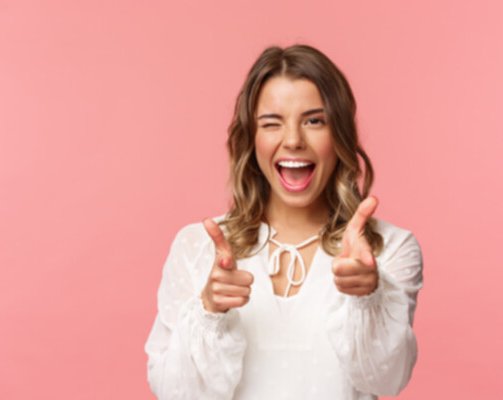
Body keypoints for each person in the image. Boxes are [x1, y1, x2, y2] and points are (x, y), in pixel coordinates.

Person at [144, 44, 423, 400]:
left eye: (314, 121)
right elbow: (173, 392)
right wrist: (210, 310)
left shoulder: (389, 248)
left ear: (339, 134)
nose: (293, 140)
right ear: (251, 138)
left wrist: (369, 297)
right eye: (271, 123)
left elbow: (386, 380)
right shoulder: (196, 246)